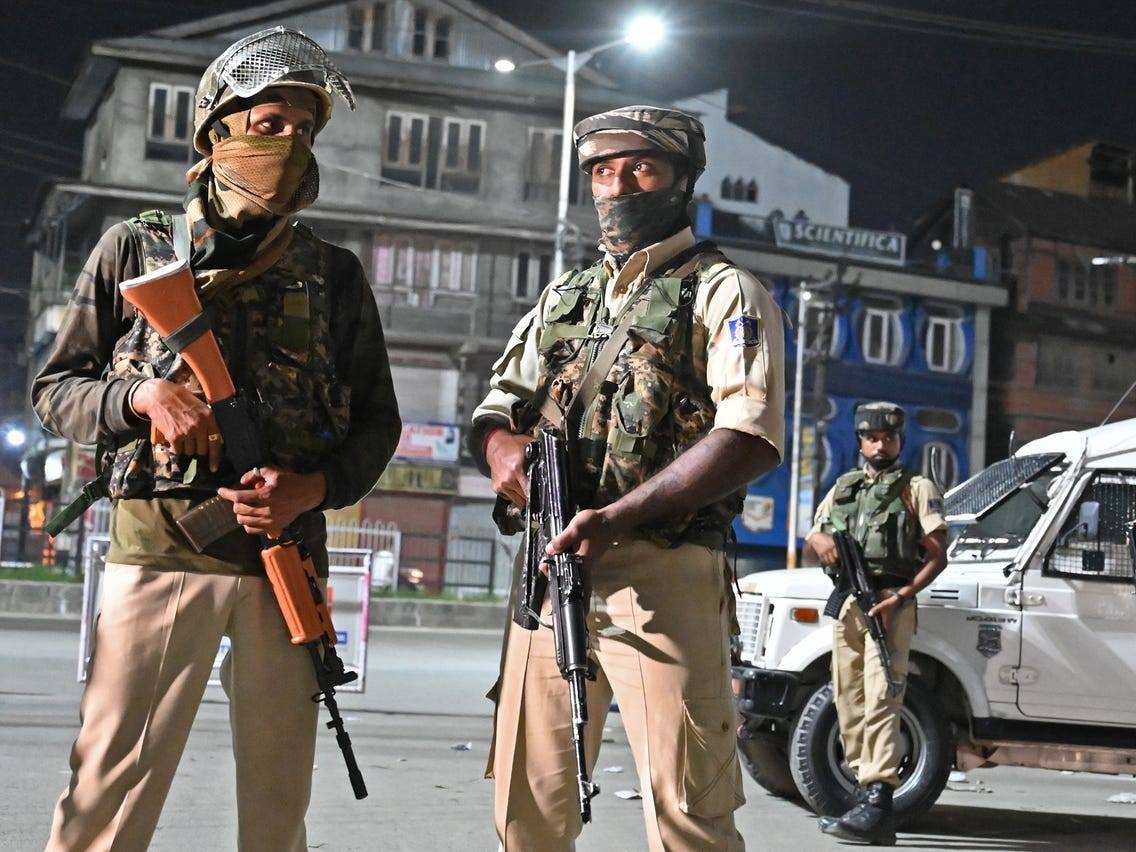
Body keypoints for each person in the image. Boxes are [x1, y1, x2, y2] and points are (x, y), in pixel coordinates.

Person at [32, 27, 400, 852]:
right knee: (111, 789)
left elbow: (379, 423)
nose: (290, 143)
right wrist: (141, 398)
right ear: (218, 132)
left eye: (305, 130)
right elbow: (56, 392)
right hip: (163, 552)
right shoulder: (136, 250)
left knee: (277, 805)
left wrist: (314, 488)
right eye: (271, 124)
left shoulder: (333, 273)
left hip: (285, 562)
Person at [470, 105, 785, 852]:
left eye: (642, 167)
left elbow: (748, 436)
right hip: (549, 574)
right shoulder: (564, 296)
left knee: (686, 814)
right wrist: (503, 455)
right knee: (527, 809)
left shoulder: (725, 291)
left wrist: (614, 519)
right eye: (603, 171)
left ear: (682, 179)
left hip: (661, 574)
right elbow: (494, 408)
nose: (619, 185)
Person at [805, 401, 947, 846]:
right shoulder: (845, 486)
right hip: (848, 602)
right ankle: (862, 793)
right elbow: (814, 532)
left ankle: (879, 799)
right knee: (847, 695)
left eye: (888, 438)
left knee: (884, 695)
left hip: (890, 603)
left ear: (900, 440)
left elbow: (938, 553)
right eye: (872, 437)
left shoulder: (917, 487)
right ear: (861, 441)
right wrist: (820, 539)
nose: (880, 445)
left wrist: (901, 597)